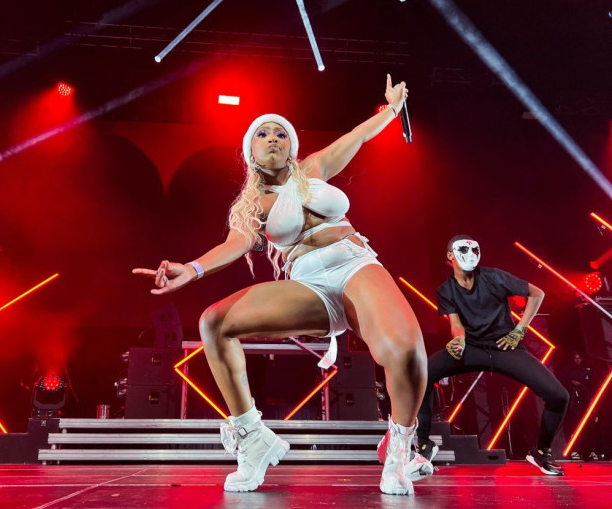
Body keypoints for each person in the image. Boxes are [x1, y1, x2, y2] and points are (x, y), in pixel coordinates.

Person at [134, 75, 428, 495]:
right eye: (262, 134)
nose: (273, 138)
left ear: (291, 147)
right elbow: (235, 244)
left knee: (406, 354)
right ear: (250, 152)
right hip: (308, 282)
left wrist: (392, 110)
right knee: (213, 323)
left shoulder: (312, 171)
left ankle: (398, 446)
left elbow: (357, 137)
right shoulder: (251, 204)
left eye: (280, 134)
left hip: (354, 264)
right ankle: (252, 437)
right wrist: (192, 269)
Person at [411, 235, 569, 476]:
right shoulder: (446, 289)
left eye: (475, 248)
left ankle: (541, 451)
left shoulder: (493, 277)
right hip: (471, 348)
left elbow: (537, 293)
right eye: (464, 248)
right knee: (422, 374)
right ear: (450, 256)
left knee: (559, 395)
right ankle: (424, 444)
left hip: (505, 346)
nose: (471, 252)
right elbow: (456, 323)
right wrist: (458, 339)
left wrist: (519, 330)